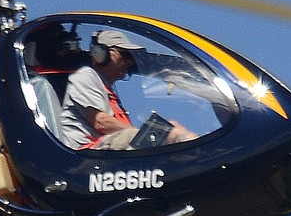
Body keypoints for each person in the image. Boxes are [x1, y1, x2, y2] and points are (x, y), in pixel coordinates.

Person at [60, 30, 193, 149]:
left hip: (109, 147)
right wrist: (142, 136)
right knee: (152, 137)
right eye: (124, 54)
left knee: (174, 128)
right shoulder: (86, 75)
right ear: (100, 54)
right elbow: (100, 122)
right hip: (89, 151)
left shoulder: (108, 90)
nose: (130, 62)